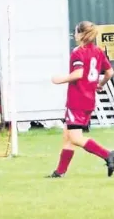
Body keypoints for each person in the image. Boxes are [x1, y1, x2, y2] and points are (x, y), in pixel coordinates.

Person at [48, 21, 114, 178]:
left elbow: (78, 74)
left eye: (76, 31)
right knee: (68, 135)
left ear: (81, 34)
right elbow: (110, 72)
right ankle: (60, 172)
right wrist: (100, 84)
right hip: (89, 100)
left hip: (77, 100)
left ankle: (108, 155)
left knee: (75, 137)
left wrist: (59, 79)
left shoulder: (78, 52)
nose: (74, 34)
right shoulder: (98, 51)